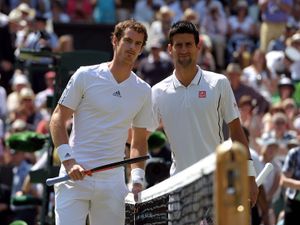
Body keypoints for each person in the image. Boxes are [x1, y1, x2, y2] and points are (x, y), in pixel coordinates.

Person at [49, 19, 152, 225]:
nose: (132, 47)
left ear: (141, 49)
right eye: (128, 41)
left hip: (112, 183)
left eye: (138, 44)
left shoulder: (143, 91)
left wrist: (138, 178)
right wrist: (69, 162)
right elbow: (57, 120)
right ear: (115, 40)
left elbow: (139, 141)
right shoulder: (85, 75)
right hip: (73, 178)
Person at [151, 20, 258, 206]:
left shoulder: (219, 83)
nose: (184, 50)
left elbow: (237, 132)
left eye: (188, 44)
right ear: (170, 49)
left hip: (216, 184)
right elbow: (141, 135)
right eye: (178, 45)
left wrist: (249, 175)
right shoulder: (158, 92)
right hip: (178, 187)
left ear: (198, 47)